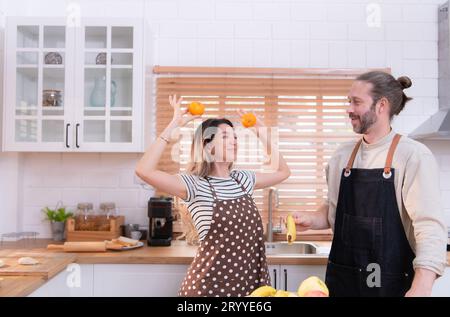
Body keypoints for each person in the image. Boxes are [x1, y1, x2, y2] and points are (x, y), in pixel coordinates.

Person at [294, 71, 447, 297]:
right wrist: (312, 219)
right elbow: (333, 209)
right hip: (344, 282)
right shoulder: (341, 157)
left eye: (356, 102)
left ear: (381, 105)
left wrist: (422, 286)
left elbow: (429, 227)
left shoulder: (412, 156)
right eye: (349, 102)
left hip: (391, 284)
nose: (349, 109)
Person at [135, 95, 290, 296]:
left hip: (249, 288)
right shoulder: (194, 184)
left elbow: (283, 172)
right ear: (207, 146)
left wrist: (262, 134)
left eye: (234, 136)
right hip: (208, 289)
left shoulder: (242, 180)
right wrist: (174, 125)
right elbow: (143, 170)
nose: (234, 141)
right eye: (225, 137)